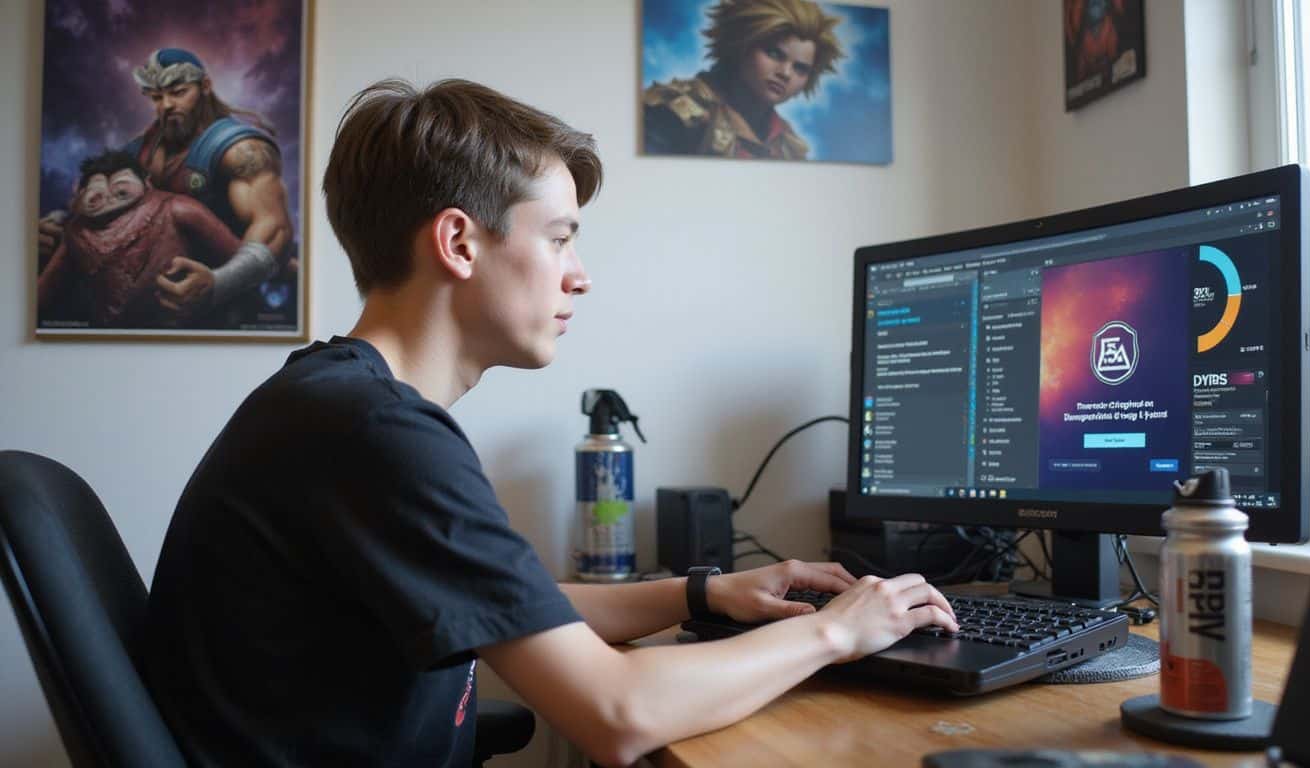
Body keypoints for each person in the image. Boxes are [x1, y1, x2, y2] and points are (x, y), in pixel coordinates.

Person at [142, 78, 958, 767]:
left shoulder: (337, 402)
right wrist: (837, 634)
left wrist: (704, 592)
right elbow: (618, 715)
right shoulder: (376, 434)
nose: (580, 276)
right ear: (459, 242)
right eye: (561, 239)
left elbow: (513, 607)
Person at [37, 48, 293, 326]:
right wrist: (58, 222)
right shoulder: (143, 148)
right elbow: (97, 200)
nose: (166, 105)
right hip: (142, 300)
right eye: (157, 97)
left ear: (205, 86)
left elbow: (274, 230)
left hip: (225, 299)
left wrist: (219, 283)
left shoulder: (242, 151)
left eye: (178, 92)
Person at [37, 149, 240, 327]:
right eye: (97, 194)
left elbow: (241, 262)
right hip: (111, 337)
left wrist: (216, 284)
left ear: (147, 183)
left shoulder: (176, 208)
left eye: (121, 191)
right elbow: (42, 294)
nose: (109, 198)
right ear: (80, 194)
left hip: (181, 329)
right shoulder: (77, 231)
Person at [643, 0, 845, 160]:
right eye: (774, 53)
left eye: (800, 68)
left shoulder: (790, 147)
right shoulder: (672, 113)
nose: (785, 73)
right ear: (741, 46)